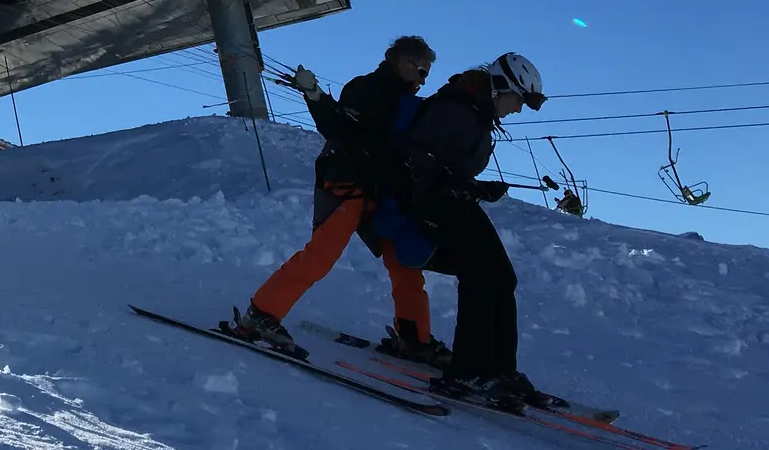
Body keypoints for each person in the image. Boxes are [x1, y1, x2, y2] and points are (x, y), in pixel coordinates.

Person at [231, 36, 450, 365]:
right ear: (403, 62)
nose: (423, 80)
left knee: (405, 264)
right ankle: (260, 314)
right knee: (321, 254)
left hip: (381, 192)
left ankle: (413, 336)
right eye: (421, 71)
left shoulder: (405, 101)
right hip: (349, 182)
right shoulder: (366, 89)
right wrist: (315, 96)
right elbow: (338, 127)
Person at [392, 52, 554, 410]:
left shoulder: (475, 111)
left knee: (501, 277)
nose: (518, 109)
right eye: (518, 100)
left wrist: (476, 187)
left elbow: (448, 163)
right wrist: (454, 184)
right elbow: (414, 155)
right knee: (482, 275)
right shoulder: (455, 108)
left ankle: (498, 369)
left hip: (450, 200)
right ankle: (469, 370)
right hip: (430, 203)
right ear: (500, 88)